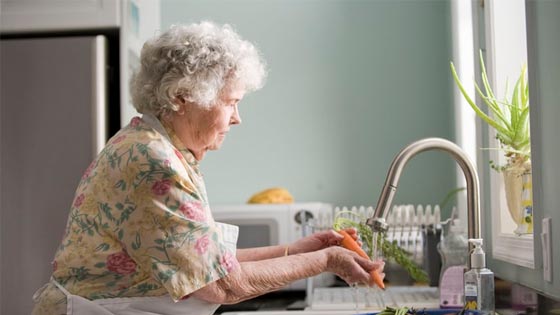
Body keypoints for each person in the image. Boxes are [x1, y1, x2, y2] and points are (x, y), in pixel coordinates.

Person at [32, 21, 384, 315]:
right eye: (231, 102)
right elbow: (220, 285)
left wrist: (299, 249)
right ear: (184, 96)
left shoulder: (154, 147)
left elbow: (206, 260)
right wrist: (326, 261)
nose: (237, 118)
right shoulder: (153, 163)